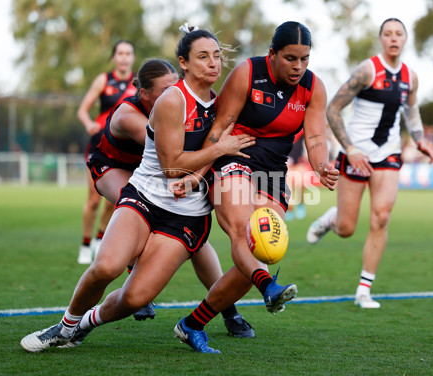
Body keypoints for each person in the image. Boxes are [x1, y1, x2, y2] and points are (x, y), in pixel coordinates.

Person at [20, 25, 256, 354]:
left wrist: (207, 167)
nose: (213, 63)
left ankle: (84, 325)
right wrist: (217, 150)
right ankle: (65, 325)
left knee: (136, 297)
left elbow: (215, 148)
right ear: (183, 63)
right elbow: (173, 165)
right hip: (139, 189)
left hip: (185, 213)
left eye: (217, 56)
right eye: (203, 56)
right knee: (107, 266)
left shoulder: (221, 104)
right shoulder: (167, 102)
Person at [172, 21, 339, 353]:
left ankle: (192, 324)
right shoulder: (248, 72)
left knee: (263, 248)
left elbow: (316, 137)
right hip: (234, 155)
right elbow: (220, 127)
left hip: (273, 171)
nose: (298, 67)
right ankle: (268, 287)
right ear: (272, 54)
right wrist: (197, 172)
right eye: (291, 58)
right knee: (241, 230)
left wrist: (321, 166)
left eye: (305, 59)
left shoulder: (313, 87)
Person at [87, 57, 254, 333]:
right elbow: (174, 154)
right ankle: (134, 282)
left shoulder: (180, 101)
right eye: (165, 90)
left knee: (195, 242)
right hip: (115, 166)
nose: (175, 93)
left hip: (161, 169)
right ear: (144, 94)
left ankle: (229, 310)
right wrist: (217, 141)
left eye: (176, 85)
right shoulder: (128, 115)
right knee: (131, 211)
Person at [306, 18, 433, 309]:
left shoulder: (410, 76)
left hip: (388, 153)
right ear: (381, 39)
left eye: (398, 34)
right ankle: (331, 219)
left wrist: (419, 138)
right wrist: (349, 149)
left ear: (405, 39)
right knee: (347, 227)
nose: (393, 38)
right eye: (387, 34)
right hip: (356, 153)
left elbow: (411, 112)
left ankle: (364, 289)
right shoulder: (367, 70)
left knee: (381, 217)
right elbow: (334, 109)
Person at [76, 40, 137, 264]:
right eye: (120, 53)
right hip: (99, 144)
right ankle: (85, 244)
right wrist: (88, 123)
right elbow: (82, 110)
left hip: (123, 148)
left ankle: (100, 238)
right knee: (93, 200)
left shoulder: (139, 82)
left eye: (128, 53)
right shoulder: (104, 79)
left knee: (115, 198)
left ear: (133, 57)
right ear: (114, 57)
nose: (123, 57)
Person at [285, 129, 308, 221]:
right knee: (288, 187)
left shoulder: (301, 129)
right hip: (287, 161)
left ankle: (300, 204)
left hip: (299, 160)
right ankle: (289, 209)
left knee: (301, 184)